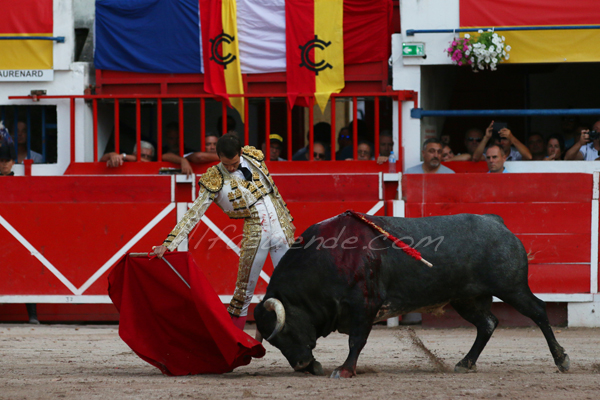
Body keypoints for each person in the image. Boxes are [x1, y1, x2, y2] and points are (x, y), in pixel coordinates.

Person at [152, 134, 295, 330]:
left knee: (291, 288)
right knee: (243, 293)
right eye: (225, 163)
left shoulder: (254, 157)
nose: (230, 168)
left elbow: (272, 191)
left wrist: (286, 220)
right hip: (256, 233)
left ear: (241, 153)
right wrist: (168, 244)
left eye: (234, 163)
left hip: (280, 227)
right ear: (218, 156)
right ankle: (233, 343)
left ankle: (299, 340)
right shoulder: (214, 177)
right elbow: (193, 213)